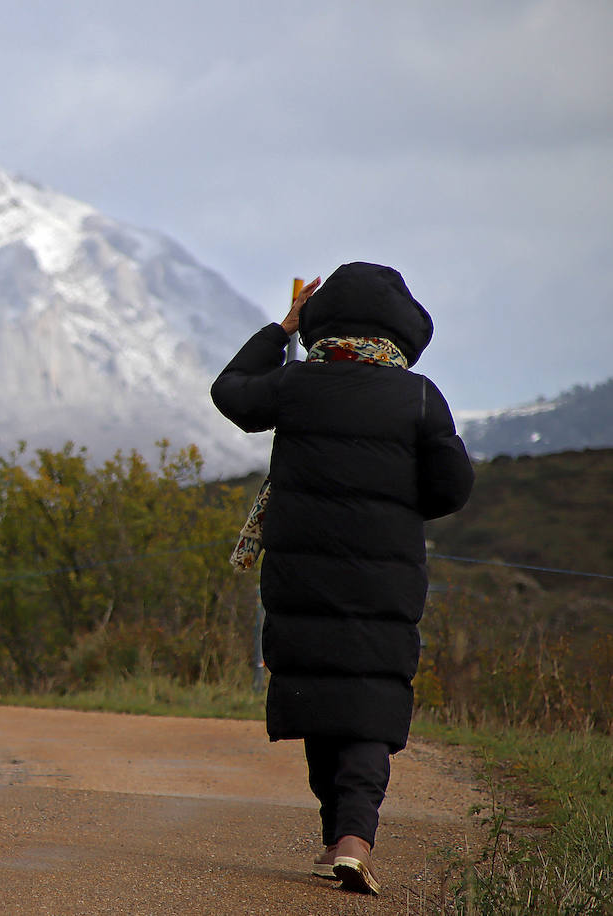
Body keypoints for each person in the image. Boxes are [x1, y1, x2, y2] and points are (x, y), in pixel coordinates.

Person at [209, 262, 474, 895]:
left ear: (321, 323)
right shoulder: (418, 397)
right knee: (368, 704)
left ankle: (336, 837)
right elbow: (451, 488)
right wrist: (392, 507)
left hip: (304, 576)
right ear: (404, 328)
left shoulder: (298, 384)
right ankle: (355, 836)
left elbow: (232, 392)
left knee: (318, 695)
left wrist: (282, 329)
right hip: (385, 581)